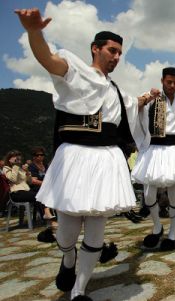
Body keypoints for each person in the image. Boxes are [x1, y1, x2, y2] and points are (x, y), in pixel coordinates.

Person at [15, 8, 153, 301]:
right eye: (112, 51)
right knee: (66, 232)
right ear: (96, 48)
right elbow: (47, 59)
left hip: (106, 160)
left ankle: (79, 291)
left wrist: (146, 100)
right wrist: (34, 31)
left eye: (120, 53)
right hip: (75, 158)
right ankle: (67, 258)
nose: (116, 57)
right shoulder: (74, 72)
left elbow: (133, 105)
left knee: (95, 232)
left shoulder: (117, 91)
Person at [131, 67, 175, 251]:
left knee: (174, 195)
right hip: (155, 148)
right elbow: (133, 109)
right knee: (149, 194)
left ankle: (172, 234)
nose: (172, 85)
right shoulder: (151, 98)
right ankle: (157, 226)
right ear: (162, 80)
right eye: (169, 82)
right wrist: (147, 98)